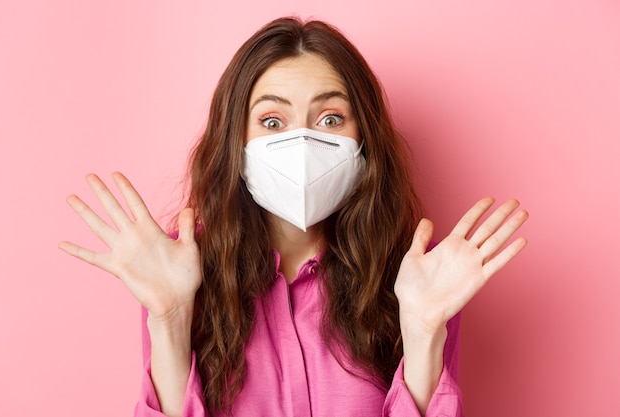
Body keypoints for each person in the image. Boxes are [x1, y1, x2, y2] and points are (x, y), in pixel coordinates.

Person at [59, 16, 528, 417]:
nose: (302, 143)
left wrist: (424, 334)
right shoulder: (181, 269)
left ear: (364, 140)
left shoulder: (414, 277)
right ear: (235, 143)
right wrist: (170, 319)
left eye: (329, 119)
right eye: (272, 122)